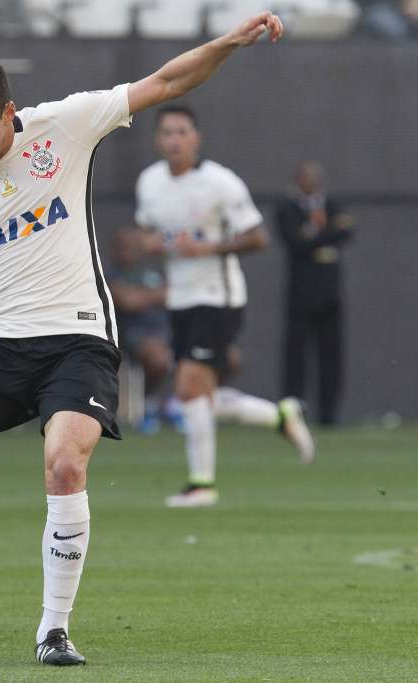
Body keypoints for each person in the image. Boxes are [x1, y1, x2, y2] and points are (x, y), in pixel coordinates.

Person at [0, 12, 287, 667]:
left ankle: (53, 629)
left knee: (63, 463)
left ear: (9, 113)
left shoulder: (68, 123)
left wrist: (230, 41)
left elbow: (166, 80)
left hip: (78, 341)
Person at [135, 104, 315, 509]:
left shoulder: (220, 182)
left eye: (183, 131)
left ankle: (202, 484)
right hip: (180, 297)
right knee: (203, 400)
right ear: (157, 140)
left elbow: (257, 237)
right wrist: (154, 244)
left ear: (196, 138)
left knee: (187, 388)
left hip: (218, 295)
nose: (175, 139)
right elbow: (147, 235)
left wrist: (208, 247)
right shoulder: (149, 183)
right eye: (167, 132)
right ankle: (279, 417)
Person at [276, 161, 353, 426]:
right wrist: (321, 232)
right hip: (301, 295)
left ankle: (329, 417)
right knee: (295, 358)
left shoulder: (332, 204)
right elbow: (294, 242)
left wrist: (315, 235)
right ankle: (291, 414)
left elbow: (347, 231)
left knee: (331, 358)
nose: (312, 182)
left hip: (330, 295)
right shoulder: (287, 208)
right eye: (306, 177)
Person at [106, 227, 174, 434]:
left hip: (164, 330)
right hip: (129, 334)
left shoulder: (152, 271)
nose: (127, 250)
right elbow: (128, 301)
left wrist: (143, 296)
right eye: (122, 246)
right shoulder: (109, 273)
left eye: (132, 246)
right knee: (158, 358)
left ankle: (178, 405)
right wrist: (155, 295)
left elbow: (173, 294)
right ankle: (149, 405)